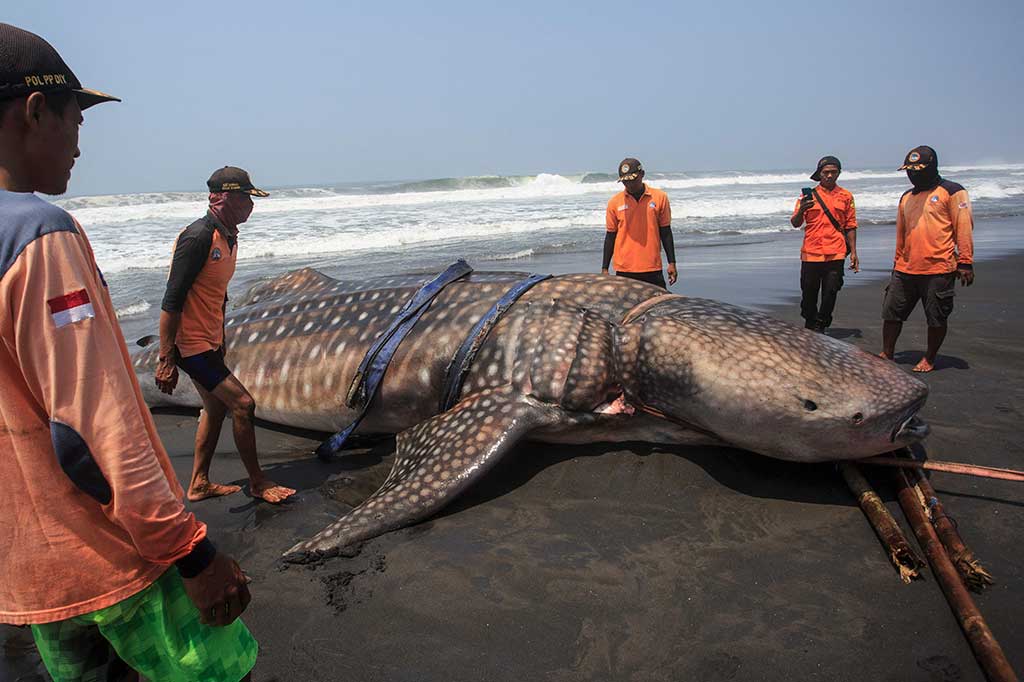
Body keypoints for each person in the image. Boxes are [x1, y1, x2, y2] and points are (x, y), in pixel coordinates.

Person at [0, 23, 257, 681]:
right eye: (74, 117)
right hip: (106, 561)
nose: (81, 142)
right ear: (35, 111)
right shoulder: (40, 234)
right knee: (221, 671)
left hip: (24, 573)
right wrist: (191, 553)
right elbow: (88, 433)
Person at [156, 167, 296, 503]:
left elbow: (214, 294)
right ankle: (259, 482)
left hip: (210, 341)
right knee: (243, 404)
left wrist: (221, 336)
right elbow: (171, 301)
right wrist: (166, 359)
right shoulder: (198, 238)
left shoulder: (228, 237)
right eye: (246, 197)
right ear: (225, 198)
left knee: (216, 409)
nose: (251, 205)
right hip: (191, 345)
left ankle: (199, 483)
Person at [880, 145, 974, 372]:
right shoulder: (906, 197)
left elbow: (963, 226)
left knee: (936, 316)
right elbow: (901, 233)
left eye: (918, 170)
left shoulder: (952, 191)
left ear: (931, 168)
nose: (913, 175)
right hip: (906, 268)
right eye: (909, 171)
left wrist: (965, 261)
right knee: (891, 313)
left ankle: (929, 358)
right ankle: (887, 352)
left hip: (938, 268)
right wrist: (896, 264)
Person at [790, 155, 859, 332]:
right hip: (811, 252)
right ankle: (810, 322)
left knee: (830, 292)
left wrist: (854, 253)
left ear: (838, 173)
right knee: (808, 293)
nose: (829, 176)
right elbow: (795, 223)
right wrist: (802, 210)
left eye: (833, 172)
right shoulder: (808, 196)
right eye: (826, 172)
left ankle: (821, 325)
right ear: (819, 174)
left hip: (836, 252)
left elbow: (850, 225)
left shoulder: (846, 196)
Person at [602, 157, 677, 288]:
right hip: (624, 268)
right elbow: (610, 236)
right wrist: (605, 269)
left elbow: (665, 232)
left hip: (652, 266)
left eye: (633, 180)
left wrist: (672, 262)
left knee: (658, 306)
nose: (630, 185)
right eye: (625, 182)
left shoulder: (659, 197)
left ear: (642, 174)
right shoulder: (614, 202)